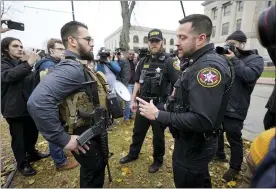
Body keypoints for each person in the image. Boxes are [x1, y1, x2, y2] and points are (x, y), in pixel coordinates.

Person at [136, 14, 232, 187]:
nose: (177, 42)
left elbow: (202, 120)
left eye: (183, 37)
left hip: (194, 147)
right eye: (177, 37)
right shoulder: (197, 62)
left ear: (201, 39)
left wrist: (158, 114)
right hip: (191, 143)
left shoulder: (207, 68)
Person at [27, 21, 107, 188]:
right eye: (88, 39)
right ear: (72, 40)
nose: (92, 43)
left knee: (91, 170)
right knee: (93, 172)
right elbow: (37, 102)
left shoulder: (78, 65)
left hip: (90, 131)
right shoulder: (71, 68)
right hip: (83, 135)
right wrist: (62, 139)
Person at [119, 29, 180, 173]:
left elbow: (177, 84)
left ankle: (158, 160)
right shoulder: (143, 61)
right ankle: (133, 154)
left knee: (158, 136)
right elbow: (137, 82)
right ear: (148, 43)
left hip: (158, 105)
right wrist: (133, 100)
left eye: (157, 41)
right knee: (137, 132)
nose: (154, 44)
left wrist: (168, 104)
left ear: (162, 43)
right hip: (143, 103)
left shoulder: (169, 61)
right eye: (151, 41)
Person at [215, 30, 264, 182]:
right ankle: (219, 154)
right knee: (217, 131)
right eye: (227, 43)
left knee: (234, 137)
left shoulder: (255, 59)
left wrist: (234, 59)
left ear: (242, 44)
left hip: (237, 107)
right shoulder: (226, 57)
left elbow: (249, 76)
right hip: (221, 103)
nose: (229, 47)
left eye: (233, 44)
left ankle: (234, 168)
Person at [1, 37, 49, 176]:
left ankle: (32, 153)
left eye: (21, 46)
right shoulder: (3, 63)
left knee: (32, 132)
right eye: (15, 46)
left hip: (28, 105)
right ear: (6, 49)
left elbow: (29, 81)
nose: (20, 48)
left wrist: (37, 68)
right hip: (13, 108)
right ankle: (22, 164)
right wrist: (28, 63)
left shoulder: (22, 63)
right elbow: (10, 76)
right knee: (19, 138)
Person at [35, 38, 79, 171]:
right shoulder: (48, 65)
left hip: (53, 102)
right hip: (49, 104)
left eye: (63, 49)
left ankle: (60, 155)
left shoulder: (54, 62)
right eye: (60, 49)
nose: (63, 52)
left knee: (58, 129)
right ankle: (60, 162)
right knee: (55, 132)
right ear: (51, 50)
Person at [123, 50, 136, 122]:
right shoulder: (124, 62)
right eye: (130, 54)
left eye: (133, 54)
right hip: (127, 84)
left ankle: (130, 115)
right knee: (128, 101)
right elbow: (119, 71)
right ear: (128, 54)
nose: (131, 55)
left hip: (134, 84)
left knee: (133, 101)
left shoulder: (134, 62)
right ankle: (126, 118)